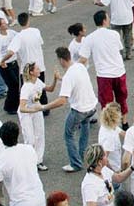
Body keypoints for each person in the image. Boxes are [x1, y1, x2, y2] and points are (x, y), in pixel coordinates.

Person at [39, 45, 99, 174]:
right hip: (92, 106)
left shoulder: (68, 76)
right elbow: (74, 81)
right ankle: (82, 155)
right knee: (85, 129)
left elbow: (62, 100)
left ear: (61, 60)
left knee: (68, 134)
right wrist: (61, 78)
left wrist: (44, 107)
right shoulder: (80, 67)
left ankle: (76, 164)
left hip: (79, 110)